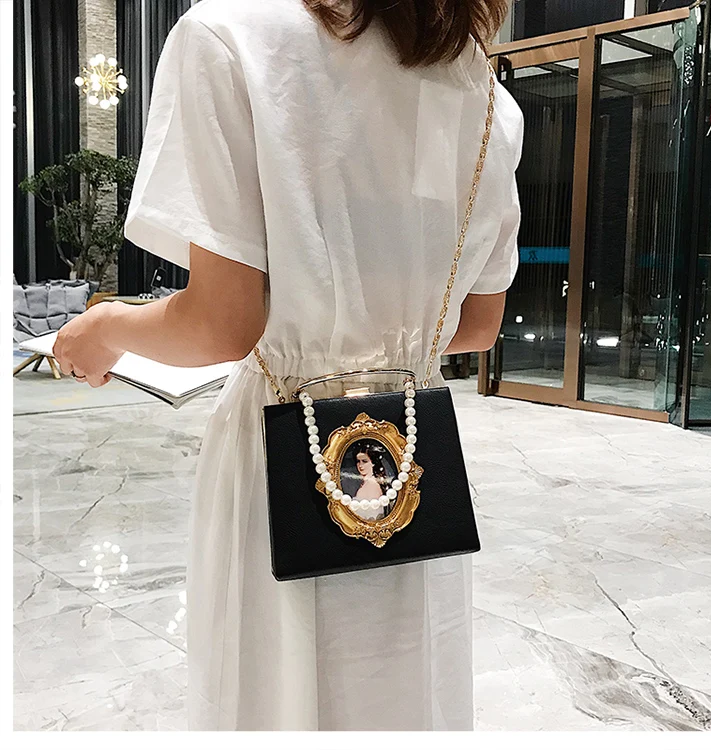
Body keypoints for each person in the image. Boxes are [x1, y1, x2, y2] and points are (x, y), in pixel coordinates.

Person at [52, 0, 523, 731]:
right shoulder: (482, 93)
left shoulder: (231, 38)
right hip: (410, 446)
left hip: (282, 436)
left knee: (274, 685)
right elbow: (479, 325)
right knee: (404, 683)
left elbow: (222, 324)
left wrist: (105, 326)